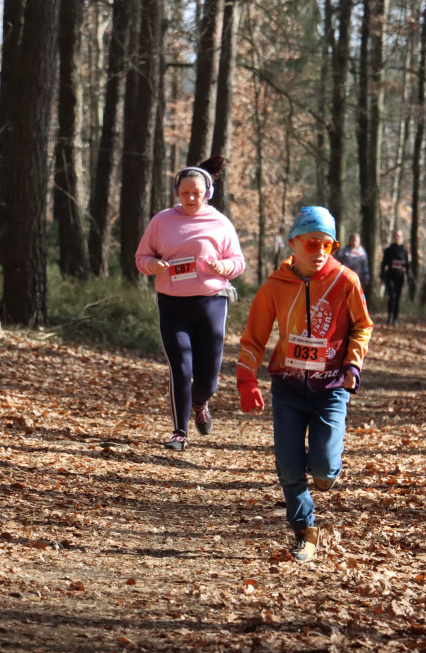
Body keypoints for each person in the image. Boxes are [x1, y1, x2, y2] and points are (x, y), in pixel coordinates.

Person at [236, 206, 373, 563]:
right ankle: (305, 531)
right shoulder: (275, 287)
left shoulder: (347, 281)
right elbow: (253, 339)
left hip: (330, 389)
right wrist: (246, 379)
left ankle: (326, 473)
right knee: (290, 465)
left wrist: (353, 364)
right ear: (293, 244)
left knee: (325, 468)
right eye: (312, 244)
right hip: (288, 389)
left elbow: (363, 325)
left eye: (328, 245)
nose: (320, 253)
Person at [135, 156, 246, 451]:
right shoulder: (161, 221)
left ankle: (201, 402)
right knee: (181, 368)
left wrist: (224, 268)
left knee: (208, 378)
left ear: (207, 193)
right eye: (185, 193)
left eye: (196, 193)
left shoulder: (220, 223)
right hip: (172, 305)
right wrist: (153, 265)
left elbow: (237, 261)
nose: (191, 198)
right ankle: (179, 431)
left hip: (210, 303)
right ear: (177, 193)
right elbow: (141, 258)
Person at [380, 230, 410, 325]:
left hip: (399, 277)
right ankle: (389, 317)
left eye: (399, 236)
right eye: (396, 235)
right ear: (393, 237)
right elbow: (383, 264)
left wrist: (408, 278)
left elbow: (407, 266)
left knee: (397, 298)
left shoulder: (404, 251)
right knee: (391, 296)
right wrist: (382, 277)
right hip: (390, 277)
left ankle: (395, 319)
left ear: (402, 237)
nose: (397, 237)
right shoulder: (389, 250)